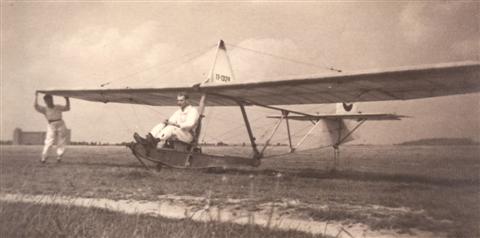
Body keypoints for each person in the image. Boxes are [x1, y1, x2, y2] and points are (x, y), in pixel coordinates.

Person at [134, 92, 199, 148]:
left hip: (188, 136)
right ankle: (149, 139)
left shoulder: (193, 111)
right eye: (178, 100)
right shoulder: (178, 112)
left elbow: (190, 124)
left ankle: (157, 141)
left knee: (171, 128)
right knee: (162, 124)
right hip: (179, 132)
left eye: (181, 100)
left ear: (187, 100)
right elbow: (171, 120)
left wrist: (176, 124)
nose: (179, 103)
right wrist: (166, 122)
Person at [34, 92, 70, 163]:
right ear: (45, 102)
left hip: (60, 123)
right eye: (47, 100)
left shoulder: (58, 107)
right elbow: (36, 106)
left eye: (50, 99)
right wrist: (36, 96)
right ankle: (44, 157)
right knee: (49, 141)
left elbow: (67, 108)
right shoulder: (45, 109)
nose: (49, 101)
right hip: (51, 125)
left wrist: (67, 99)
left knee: (62, 140)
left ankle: (59, 156)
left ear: (52, 100)